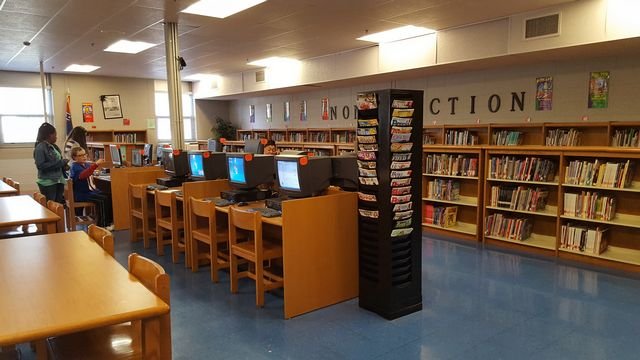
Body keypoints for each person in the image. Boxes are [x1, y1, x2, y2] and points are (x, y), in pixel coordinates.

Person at [69, 146, 113, 228]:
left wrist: (94, 170)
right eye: (81, 155)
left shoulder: (86, 164)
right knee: (102, 199)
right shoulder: (74, 166)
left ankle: (109, 222)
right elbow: (83, 175)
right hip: (82, 194)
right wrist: (96, 164)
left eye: (85, 154)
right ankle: (102, 225)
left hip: (90, 191)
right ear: (74, 157)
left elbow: (89, 171)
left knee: (109, 196)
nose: (84, 157)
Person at [34, 123, 69, 203]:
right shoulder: (40, 147)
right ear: (49, 135)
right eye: (55, 134)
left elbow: (57, 160)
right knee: (51, 208)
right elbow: (40, 165)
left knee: (58, 206)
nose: (56, 137)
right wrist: (60, 163)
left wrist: (64, 165)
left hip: (58, 180)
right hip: (48, 182)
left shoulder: (54, 146)